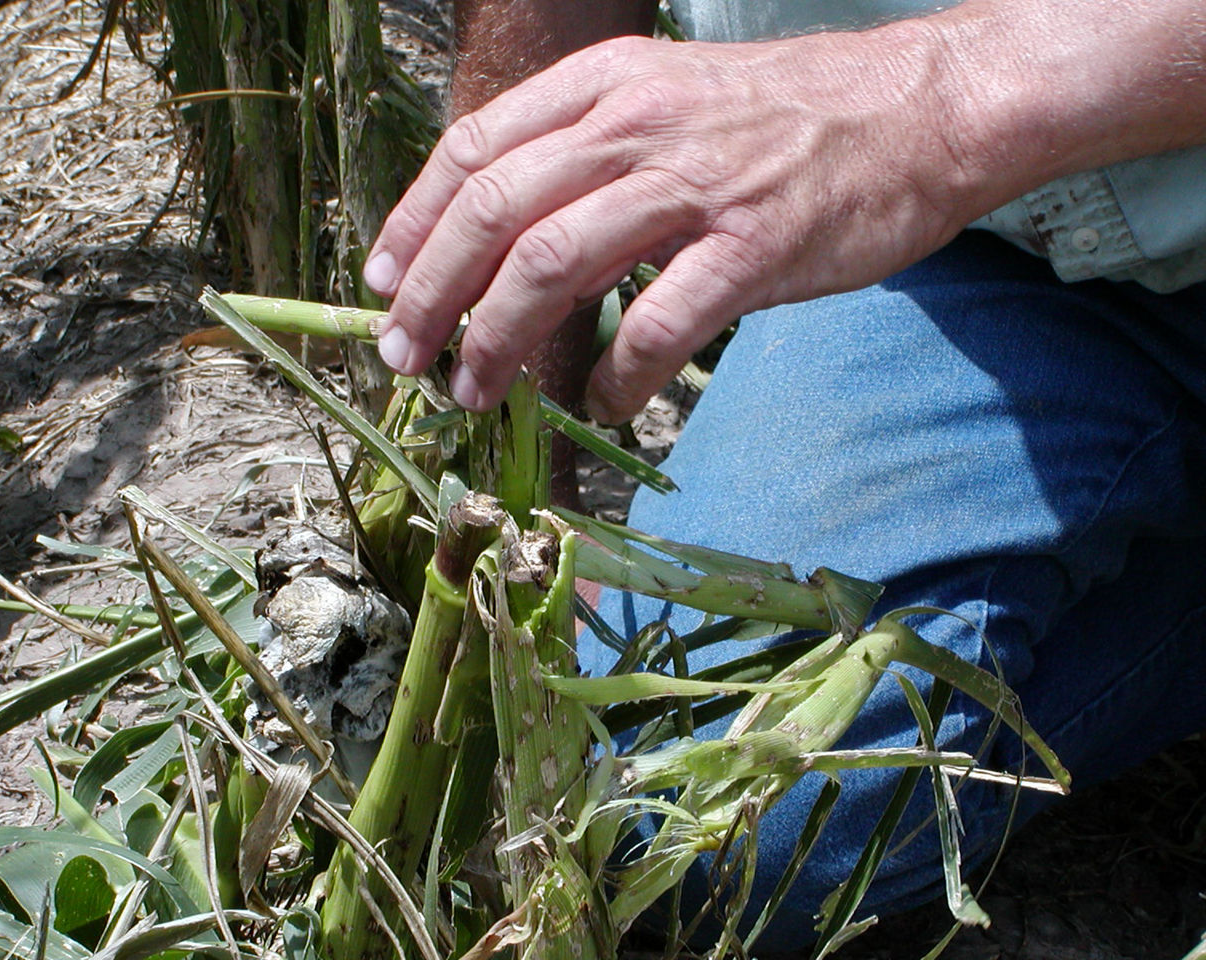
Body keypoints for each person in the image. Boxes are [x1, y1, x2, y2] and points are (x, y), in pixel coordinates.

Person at [366, 0, 1206, 949]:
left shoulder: (923, 104)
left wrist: (935, 97)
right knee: (686, 812)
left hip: (932, 139)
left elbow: (928, 101)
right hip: (970, 252)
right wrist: (526, 484)